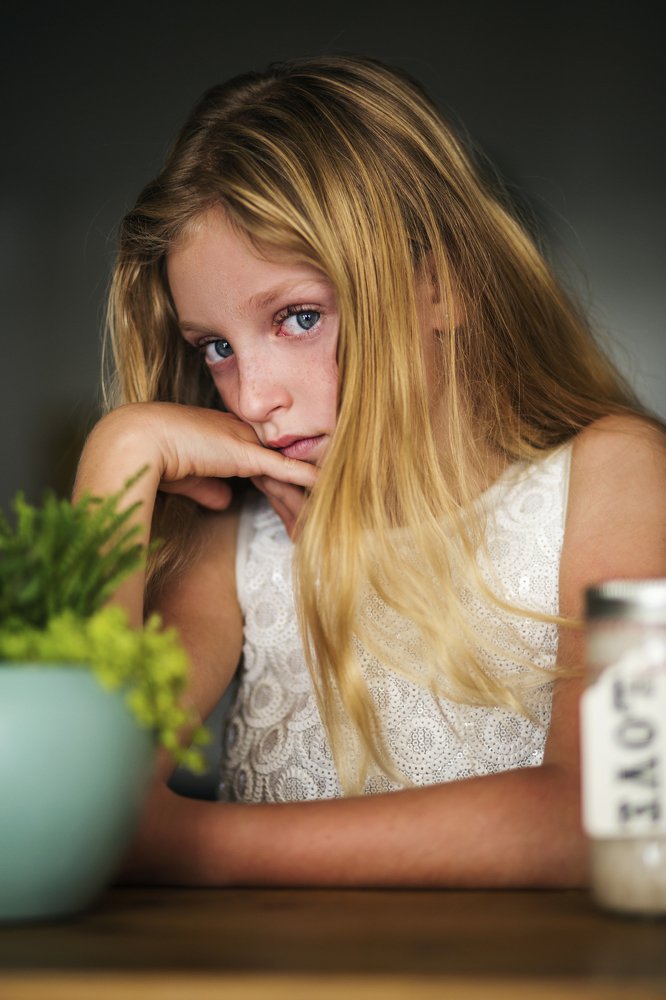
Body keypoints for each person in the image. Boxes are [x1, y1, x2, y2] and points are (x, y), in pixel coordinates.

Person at [74, 55, 666, 887]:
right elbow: (71, 789)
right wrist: (119, 456)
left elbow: (613, 817)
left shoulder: (617, 477)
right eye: (215, 347)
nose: (254, 397)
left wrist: (187, 842)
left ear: (443, 286)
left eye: (298, 317)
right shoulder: (234, 531)